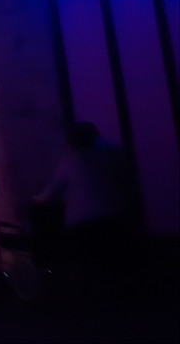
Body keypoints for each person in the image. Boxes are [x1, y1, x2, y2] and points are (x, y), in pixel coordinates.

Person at [33, 122, 130, 287]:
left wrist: (35, 199)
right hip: (114, 214)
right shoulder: (112, 153)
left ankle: (93, 295)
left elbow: (51, 191)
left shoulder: (70, 160)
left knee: (89, 261)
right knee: (113, 260)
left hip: (83, 220)